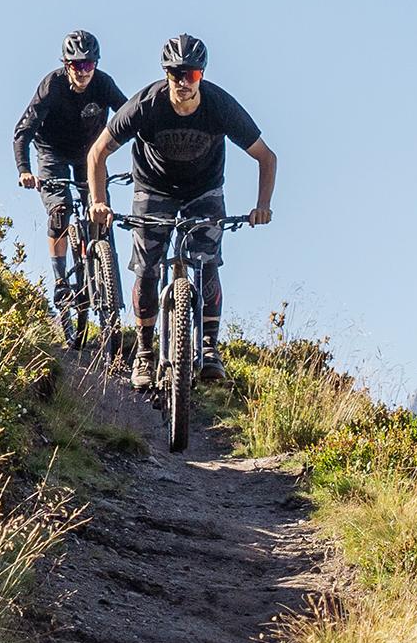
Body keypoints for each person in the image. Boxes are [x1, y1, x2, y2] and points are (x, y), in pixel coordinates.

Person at [87, 34, 276, 389]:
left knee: (205, 262)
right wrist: (100, 201)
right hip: (152, 189)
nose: (183, 82)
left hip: (203, 191)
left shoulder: (219, 106)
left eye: (191, 75)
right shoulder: (146, 104)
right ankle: (144, 355)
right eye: (176, 74)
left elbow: (266, 157)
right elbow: (97, 153)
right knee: (147, 268)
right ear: (166, 74)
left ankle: (208, 347)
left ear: (201, 75)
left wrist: (262, 206)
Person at [13, 30, 127, 317]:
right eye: (76, 65)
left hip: (89, 154)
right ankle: (62, 279)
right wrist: (25, 170)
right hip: (52, 152)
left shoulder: (103, 84)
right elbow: (22, 132)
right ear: (66, 65)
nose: (83, 71)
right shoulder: (52, 86)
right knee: (60, 210)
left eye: (88, 64)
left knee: (101, 210)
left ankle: (109, 282)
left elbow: (129, 115)